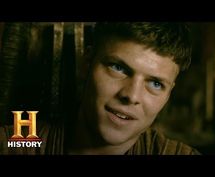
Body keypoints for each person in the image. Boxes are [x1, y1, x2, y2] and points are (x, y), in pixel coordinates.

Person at [0, 22, 200, 155]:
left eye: (156, 83)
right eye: (118, 68)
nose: (131, 95)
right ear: (87, 64)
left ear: (168, 94)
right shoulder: (14, 144)